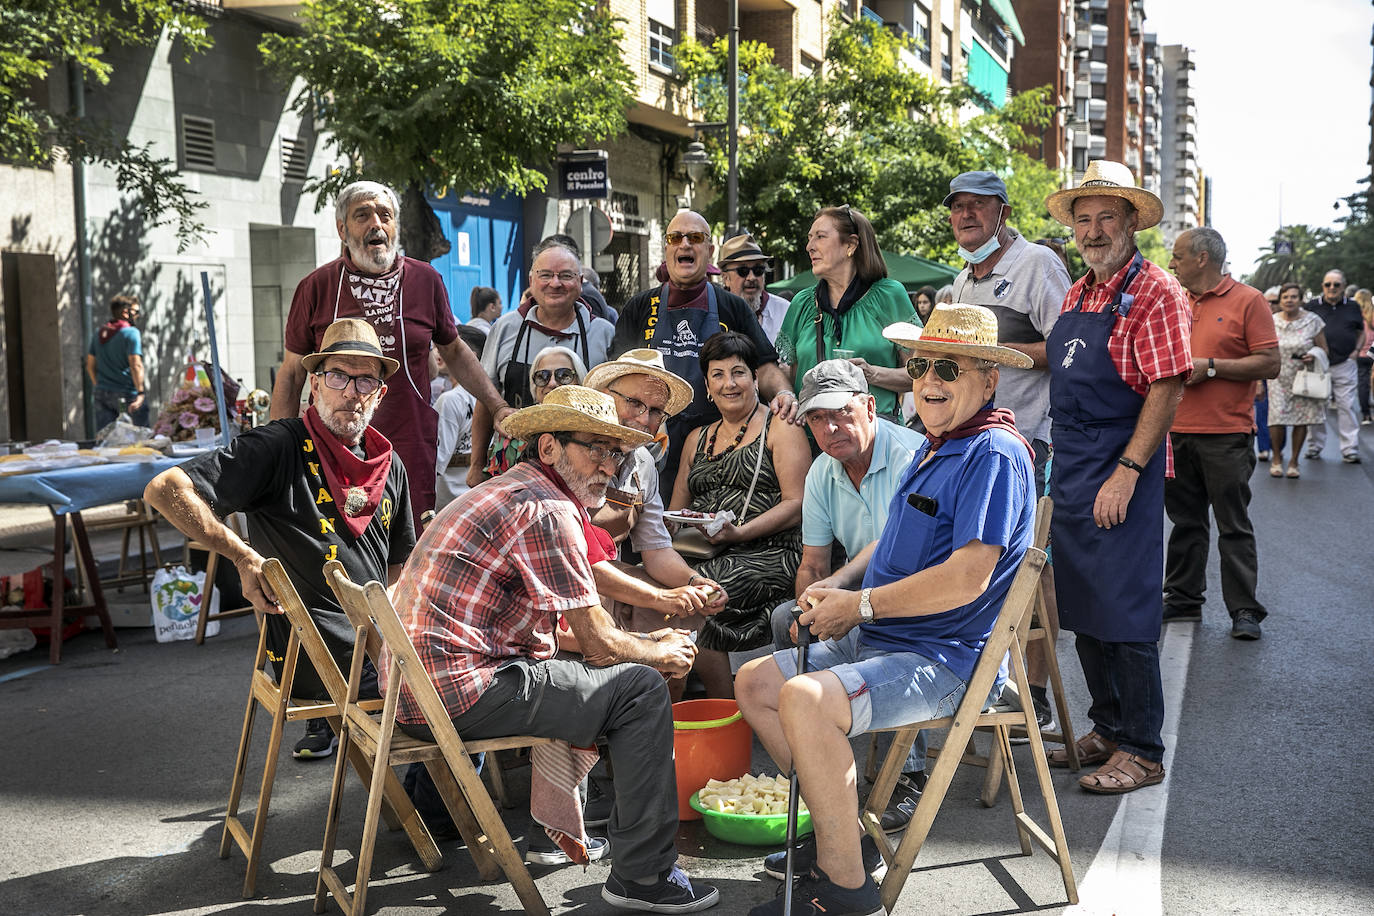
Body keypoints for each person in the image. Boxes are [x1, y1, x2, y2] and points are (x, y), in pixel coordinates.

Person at [734, 304, 1035, 916]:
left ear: (988, 377)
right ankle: (838, 830)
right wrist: (839, 583)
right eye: (920, 363)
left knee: (804, 700)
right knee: (757, 682)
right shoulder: (939, 443)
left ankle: (844, 889)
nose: (929, 380)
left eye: (948, 367)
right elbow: (889, 544)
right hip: (889, 635)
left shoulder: (992, 452)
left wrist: (861, 605)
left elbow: (967, 579)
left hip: (943, 657)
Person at [387, 385, 719, 913]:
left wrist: (645, 639)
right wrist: (657, 653)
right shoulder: (547, 508)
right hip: (454, 694)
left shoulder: (521, 490)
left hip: (411, 691)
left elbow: (555, 631)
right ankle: (643, 876)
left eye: (616, 453)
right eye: (595, 448)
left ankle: (569, 838)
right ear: (548, 448)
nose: (608, 467)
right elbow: (595, 638)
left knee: (607, 673)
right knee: (641, 691)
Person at [145, 319, 415, 759]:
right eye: (338, 375)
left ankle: (436, 811)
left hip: (379, 651)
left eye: (366, 378)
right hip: (316, 658)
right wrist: (243, 557)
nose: (351, 391)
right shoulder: (279, 446)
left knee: (473, 674)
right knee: (462, 699)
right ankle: (447, 820)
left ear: (380, 393)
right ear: (315, 382)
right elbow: (165, 490)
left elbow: (398, 566)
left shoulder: (390, 464)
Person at [1042, 160, 1192, 794]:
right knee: (1084, 604)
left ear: (1133, 222)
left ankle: (1142, 747)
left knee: (1126, 610)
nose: (1095, 230)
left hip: (1122, 465)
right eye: (1085, 219)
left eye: (1108, 217)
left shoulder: (1158, 291)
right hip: (1072, 467)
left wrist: (1128, 471)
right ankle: (1107, 725)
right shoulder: (1080, 291)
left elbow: (1167, 388)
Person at [271, 180, 512, 525]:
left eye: (385, 216)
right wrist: (278, 447)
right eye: (362, 216)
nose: (376, 225)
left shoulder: (425, 280)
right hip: (332, 445)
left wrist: (497, 405)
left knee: (407, 549)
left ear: (395, 226)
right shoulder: (317, 286)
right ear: (342, 228)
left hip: (408, 444)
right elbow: (293, 372)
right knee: (337, 542)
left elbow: (455, 351)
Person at [767, 358, 927, 836]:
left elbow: (900, 549)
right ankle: (815, 754)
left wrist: (839, 593)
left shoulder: (911, 455)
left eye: (841, 412)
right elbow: (813, 565)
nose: (830, 427)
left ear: (870, 406)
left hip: (914, 586)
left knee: (886, 625)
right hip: (860, 581)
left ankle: (907, 775)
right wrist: (808, 608)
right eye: (817, 418)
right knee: (785, 620)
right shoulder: (823, 472)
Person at [946, 170, 1071, 732]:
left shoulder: (1037, 263)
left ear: (1002, 210)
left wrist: (995, 351)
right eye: (957, 208)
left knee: (1030, 567)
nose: (966, 216)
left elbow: (1068, 347)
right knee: (975, 561)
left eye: (977, 206)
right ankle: (986, 683)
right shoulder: (960, 280)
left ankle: (1037, 697)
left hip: (1029, 441)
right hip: (970, 442)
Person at [611, 210, 796, 499]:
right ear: (667, 249)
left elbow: (765, 366)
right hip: (649, 443)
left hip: (717, 444)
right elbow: (616, 376)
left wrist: (785, 396)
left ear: (708, 250)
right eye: (676, 238)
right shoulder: (639, 306)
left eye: (694, 237)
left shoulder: (732, 306)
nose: (684, 244)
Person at [666, 333, 808, 695]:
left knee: (701, 593)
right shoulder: (697, 437)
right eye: (718, 375)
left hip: (771, 547)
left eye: (738, 372)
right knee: (659, 587)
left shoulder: (780, 426)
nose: (729, 383)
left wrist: (739, 534)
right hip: (703, 548)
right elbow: (675, 511)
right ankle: (671, 713)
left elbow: (797, 504)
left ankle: (724, 709)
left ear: (756, 380)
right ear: (707, 386)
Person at [1163, 228, 1279, 640]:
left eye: (1177, 256)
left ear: (1202, 259)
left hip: (1226, 434)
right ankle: (1182, 599)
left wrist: (1211, 366)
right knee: (1185, 522)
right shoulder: (1172, 299)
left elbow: (1269, 363)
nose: (1171, 263)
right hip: (1174, 431)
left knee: (1233, 524)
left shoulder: (1249, 300)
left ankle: (1244, 610)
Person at [467, 240, 615, 488]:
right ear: (531, 280)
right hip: (512, 471)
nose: (555, 283)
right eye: (545, 275)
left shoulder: (602, 333)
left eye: (565, 276)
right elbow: (486, 399)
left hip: (583, 473)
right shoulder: (506, 329)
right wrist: (475, 466)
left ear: (579, 282)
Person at [775, 206, 918, 421]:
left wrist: (871, 373)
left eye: (820, 237)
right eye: (809, 238)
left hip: (873, 439)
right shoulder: (802, 303)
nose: (809, 247)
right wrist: (785, 394)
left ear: (850, 245)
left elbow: (921, 375)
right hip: (811, 440)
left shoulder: (889, 295)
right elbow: (789, 373)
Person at [480, 346, 588, 480]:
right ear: (535, 387)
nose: (552, 383)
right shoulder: (513, 435)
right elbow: (495, 486)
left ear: (580, 382)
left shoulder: (597, 433)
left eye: (564, 375)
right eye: (542, 376)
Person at [1266, 282, 1328, 479]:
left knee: (1301, 420)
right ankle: (1277, 458)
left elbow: (1324, 349)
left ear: (1301, 299)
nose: (1289, 300)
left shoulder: (1313, 321)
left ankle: (1294, 461)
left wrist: (1313, 354)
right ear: (1281, 300)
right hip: (1277, 376)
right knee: (1276, 418)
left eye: (1293, 296)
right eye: (1285, 297)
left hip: (1303, 378)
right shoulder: (1271, 320)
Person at [1304, 270, 1365, 463]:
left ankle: (1350, 449)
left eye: (1336, 284)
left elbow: (1361, 331)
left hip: (1345, 363)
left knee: (1346, 406)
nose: (1332, 288)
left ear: (1343, 286)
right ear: (1322, 286)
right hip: (1318, 363)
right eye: (1328, 284)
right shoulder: (1312, 306)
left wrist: (1356, 351)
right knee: (1316, 406)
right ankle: (1314, 446)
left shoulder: (1353, 306)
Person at [433, 326, 487, 510]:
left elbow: (436, 463)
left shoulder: (450, 400)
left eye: (445, 347)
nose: (436, 351)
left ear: (469, 355)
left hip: (448, 506)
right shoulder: (490, 397)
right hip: (478, 498)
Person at [86, 295, 148, 429]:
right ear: (126, 313)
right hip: (127, 395)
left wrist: (98, 384)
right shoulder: (131, 333)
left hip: (102, 394)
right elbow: (135, 365)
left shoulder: (98, 333)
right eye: (136, 312)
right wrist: (140, 393)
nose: (137, 316)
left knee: (107, 440)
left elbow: (90, 365)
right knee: (140, 439)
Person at [718, 232, 787, 343]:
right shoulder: (714, 313)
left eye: (758, 270)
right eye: (743, 271)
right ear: (726, 278)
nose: (751, 277)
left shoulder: (785, 311)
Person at [1354, 288, 1374, 424]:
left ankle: (1366, 414)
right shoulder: (1372, 314)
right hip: (1372, 352)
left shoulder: (1355, 314)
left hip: (1360, 352)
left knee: (1363, 383)